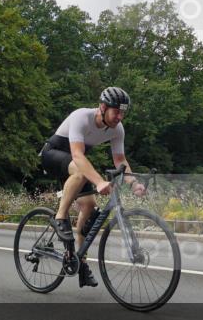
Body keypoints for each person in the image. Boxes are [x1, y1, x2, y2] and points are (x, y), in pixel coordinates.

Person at [39, 87, 146, 288]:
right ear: (103, 107)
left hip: (75, 162)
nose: (120, 117)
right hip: (52, 155)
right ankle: (60, 218)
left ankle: (80, 262)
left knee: (89, 206)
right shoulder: (81, 117)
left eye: (124, 112)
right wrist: (99, 182)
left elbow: (120, 160)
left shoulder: (117, 129)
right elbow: (78, 156)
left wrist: (133, 183)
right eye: (117, 111)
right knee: (80, 172)